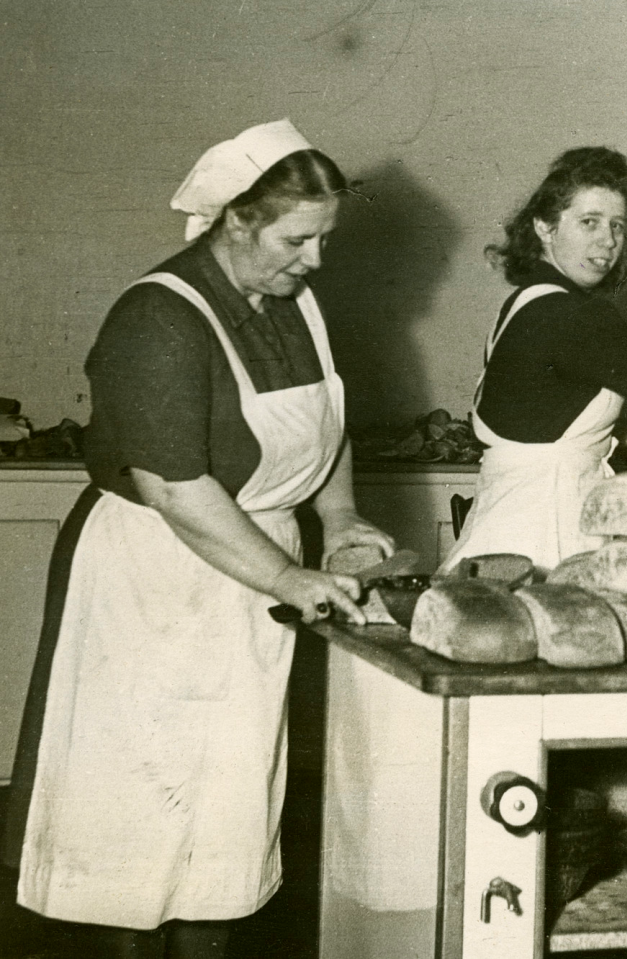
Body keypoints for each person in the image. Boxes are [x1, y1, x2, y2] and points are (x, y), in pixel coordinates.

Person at [2, 119, 394, 958]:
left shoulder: (297, 306)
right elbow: (176, 490)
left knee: (227, 824)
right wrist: (288, 576)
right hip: (153, 584)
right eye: (299, 239)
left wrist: (344, 516)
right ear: (236, 221)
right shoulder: (158, 317)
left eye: (324, 239)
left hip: (249, 581)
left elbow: (326, 428)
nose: (315, 261)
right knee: (134, 827)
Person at [442, 147, 627, 573]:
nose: (608, 240)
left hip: (506, 523)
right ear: (545, 227)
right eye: (588, 222)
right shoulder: (573, 315)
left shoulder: (524, 302)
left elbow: (604, 418)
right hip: (547, 530)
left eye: (617, 225)